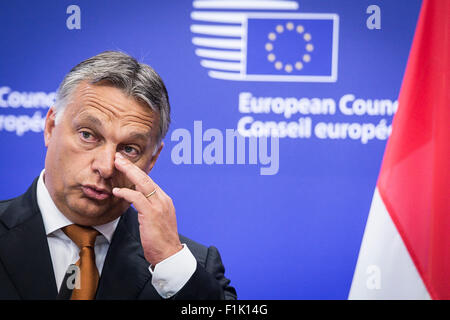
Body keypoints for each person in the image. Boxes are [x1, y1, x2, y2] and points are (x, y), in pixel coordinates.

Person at [0, 51, 236, 300]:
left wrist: (170, 261)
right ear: (51, 127)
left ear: (152, 160)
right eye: (88, 135)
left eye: (129, 149)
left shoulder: (189, 268)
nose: (105, 167)